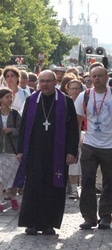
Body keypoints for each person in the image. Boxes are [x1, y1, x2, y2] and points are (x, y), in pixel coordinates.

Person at [14, 70, 79, 235]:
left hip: (57, 153)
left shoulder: (65, 101)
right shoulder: (31, 100)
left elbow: (73, 130)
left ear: (55, 82)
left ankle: (50, 223)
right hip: (35, 152)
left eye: (48, 81)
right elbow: (23, 128)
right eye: (42, 81)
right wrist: (20, 150)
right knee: (33, 187)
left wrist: (72, 151)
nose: (45, 84)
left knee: (54, 188)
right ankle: (32, 223)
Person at [75, 64, 112, 230]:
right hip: (90, 144)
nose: (96, 79)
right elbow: (77, 122)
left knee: (109, 182)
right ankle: (89, 217)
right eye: (93, 76)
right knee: (87, 180)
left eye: (99, 76)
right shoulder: (84, 96)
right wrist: (75, 145)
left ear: (106, 78)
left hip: (110, 145)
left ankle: (105, 215)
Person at [0, 88, 21, 213]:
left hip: (13, 150)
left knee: (13, 176)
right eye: (7, 97)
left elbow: (21, 131)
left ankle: (13, 197)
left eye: (11, 97)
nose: (10, 99)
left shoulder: (16, 114)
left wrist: (12, 130)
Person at [65, 78, 85, 199]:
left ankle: (83, 187)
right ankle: (73, 189)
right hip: (70, 136)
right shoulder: (66, 103)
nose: (75, 91)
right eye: (72, 88)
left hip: (86, 135)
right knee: (72, 163)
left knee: (84, 163)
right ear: (68, 90)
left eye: (77, 88)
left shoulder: (86, 101)